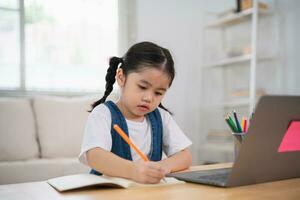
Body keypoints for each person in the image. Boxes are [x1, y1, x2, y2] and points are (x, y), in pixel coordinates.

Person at [79, 41, 192, 184]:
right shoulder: (103, 114)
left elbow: (185, 156)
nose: (148, 98)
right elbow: (94, 156)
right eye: (142, 87)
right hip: (109, 192)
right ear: (121, 77)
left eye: (158, 93)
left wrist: (162, 167)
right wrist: (133, 170)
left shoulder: (162, 117)